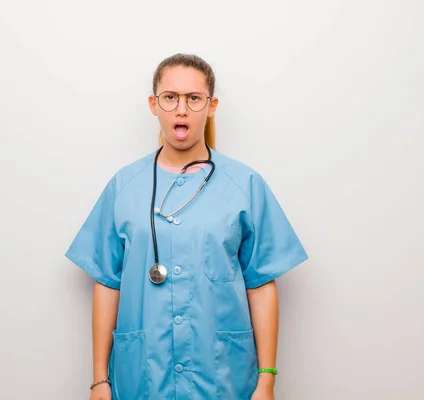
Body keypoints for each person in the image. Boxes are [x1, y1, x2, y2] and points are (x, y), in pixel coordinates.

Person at [65, 53, 308, 400]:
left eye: (194, 98)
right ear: (154, 104)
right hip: (143, 375)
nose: (182, 109)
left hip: (222, 375)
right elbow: (107, 283)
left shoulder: (245, 185)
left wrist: (266, 380)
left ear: (211, 106)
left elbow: (261, 285)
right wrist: (99, 380)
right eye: (170, 97)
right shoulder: (124, 186)